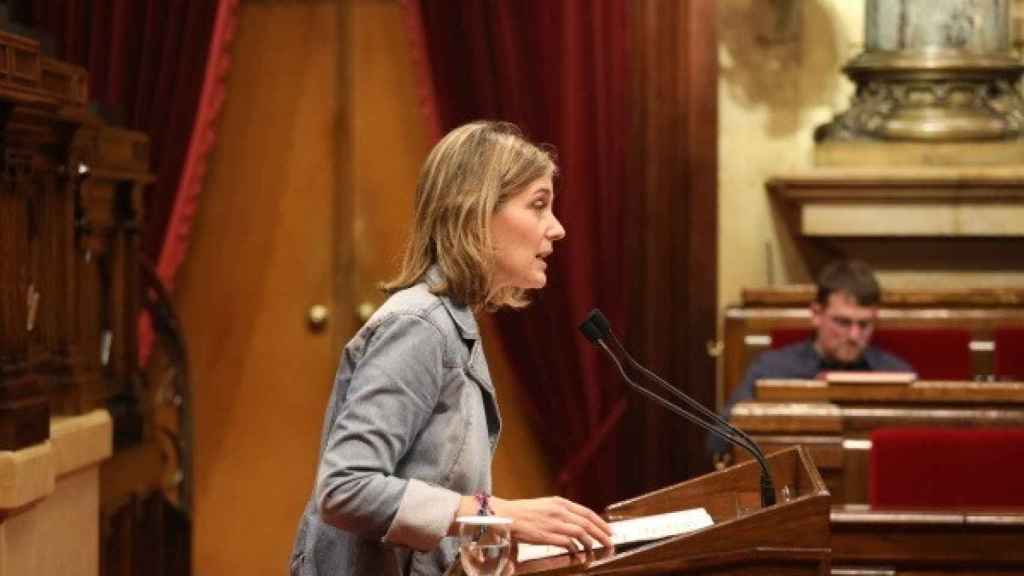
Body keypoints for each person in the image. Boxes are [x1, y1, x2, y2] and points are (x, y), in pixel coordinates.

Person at [290, 121, 613, 576]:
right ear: (476, 213)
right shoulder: (419, 325)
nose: (557, 229)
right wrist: (499, 513)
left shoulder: (451, 321)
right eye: (538, 205)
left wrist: (501, 541)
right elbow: (345, 488)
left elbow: (435, 500)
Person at [708, 260, 913, 460]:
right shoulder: (773, 368)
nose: (853, 335)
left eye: (864, 324)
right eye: (843, 322)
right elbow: (719, 439)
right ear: (816, 314)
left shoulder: (897, 373)